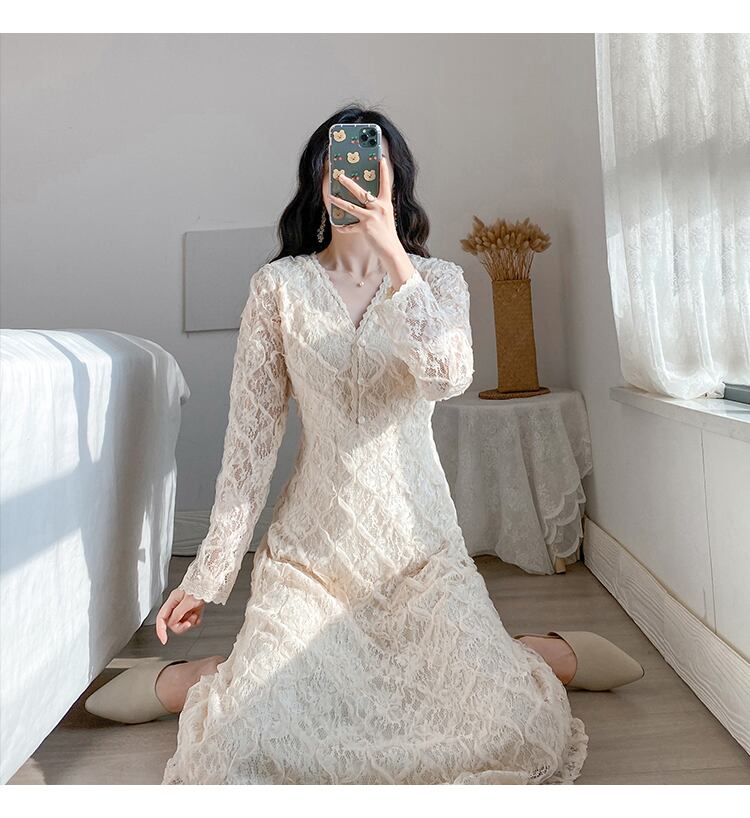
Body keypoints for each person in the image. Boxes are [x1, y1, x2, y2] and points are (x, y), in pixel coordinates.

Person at [85, 103, 644, 785]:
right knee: (242, 747)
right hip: (311, 557)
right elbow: (251, 444)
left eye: (369, 169)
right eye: (336, 168)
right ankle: (206, 675)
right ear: (318, 184)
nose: (351, 180)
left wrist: (395, 259)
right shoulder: (277, 288)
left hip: (420, 551)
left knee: (509, 734)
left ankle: (526, 655)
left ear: (395, 183)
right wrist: (210, 570)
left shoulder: (439, 281)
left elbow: (448, 376)